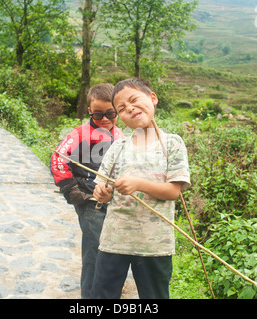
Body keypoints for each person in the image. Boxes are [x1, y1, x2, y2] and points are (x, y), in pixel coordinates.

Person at [92, 78, 191, 299]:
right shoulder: (118, 147)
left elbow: (173, 192)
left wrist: (138, 184)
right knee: (102, 296)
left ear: (153, 98)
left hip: (154, 244)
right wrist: (103, 193)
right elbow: (102, 187)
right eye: (122, 109)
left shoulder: (172, 144)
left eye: (134, 100)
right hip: (114, 240)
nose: (130, 109)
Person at [50, 83, 124, 299]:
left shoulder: (119, 135)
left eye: (111, 113)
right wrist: (71, 190)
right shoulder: (79, 133)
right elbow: (58, 157)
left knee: (113, 251)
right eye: (99, 113)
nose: (105, 118)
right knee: (95, 253)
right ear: (89, 110)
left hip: (115, 202)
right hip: (90, 200)